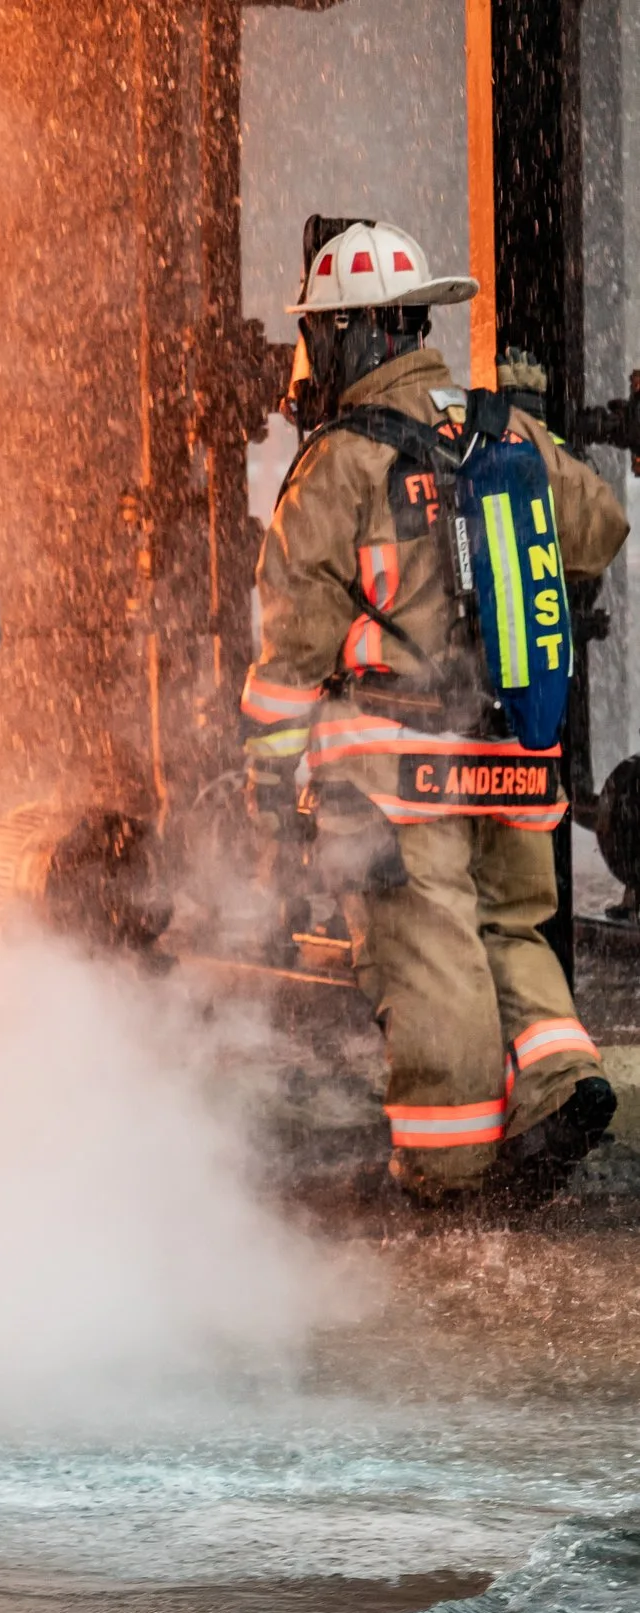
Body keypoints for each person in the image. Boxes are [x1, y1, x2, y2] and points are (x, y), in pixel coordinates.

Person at [243, 218, 630, 1203]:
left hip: (397, 763)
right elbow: (599, 526)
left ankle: (452, 1169)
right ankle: (562, 1079)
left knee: (431, 954)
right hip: (515, 752)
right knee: (508, 926)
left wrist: (264, 775)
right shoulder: (503, 428)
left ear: (348, 336)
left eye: (317, 337)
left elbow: (290, 645)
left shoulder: (340, 460)